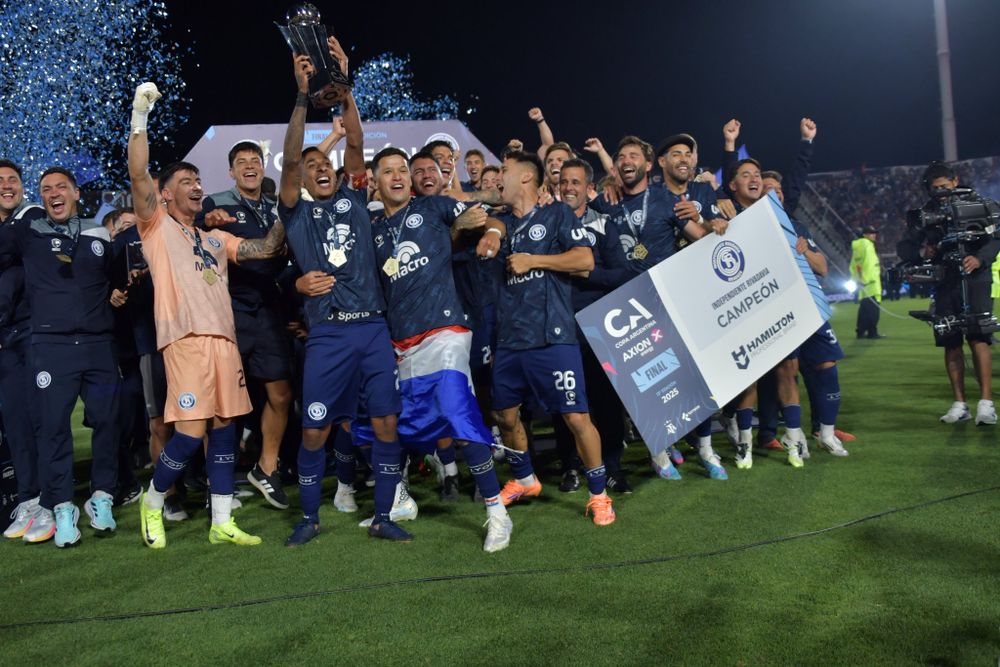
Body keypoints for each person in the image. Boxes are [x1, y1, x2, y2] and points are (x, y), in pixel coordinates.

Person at [129, 81, 287, 549]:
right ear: (165, 195)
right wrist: (140, 118)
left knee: (225, 429)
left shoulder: (214, 240)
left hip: (225, 341)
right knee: (189, 432)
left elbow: (265, 248)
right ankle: (153, 502)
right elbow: (139, 176)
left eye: (198, 180)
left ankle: (221, 520)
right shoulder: (156, 227)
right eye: (186, 181)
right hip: (185, 340)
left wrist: (292, 210)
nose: (197, 186)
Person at [275, 42, 406, 546]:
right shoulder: (296, 212)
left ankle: (383, 515)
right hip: (327, 335)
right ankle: (310, 517)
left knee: (386, 424)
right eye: (311, 167)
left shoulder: (354, 195)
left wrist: (345, 86)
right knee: (314, 432)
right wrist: (303, 95)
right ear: (302, 179)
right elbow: (288, 160)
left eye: (322, 164)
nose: (319, 168)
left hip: (372, 328)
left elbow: (353, 143)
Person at [352, 147, 514, 551]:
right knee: (393, 425)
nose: (398, 176)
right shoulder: (373, 229)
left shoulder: (436, 206)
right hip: (399, 340)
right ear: (375, 180)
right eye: (388, 171)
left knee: (457, 412)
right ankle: (398, 501)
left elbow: (488, 214)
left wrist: (491, 230)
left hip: (445, 331)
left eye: (402, 170)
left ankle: (497, 512)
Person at [483, 150, 615, 526]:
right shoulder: (503, 221)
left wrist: (533, 260)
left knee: (576, 417)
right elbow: (479, 206)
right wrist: (493, 226)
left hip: (553, 337)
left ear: (526, 178)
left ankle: (599, 495)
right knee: (505, 416)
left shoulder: (556, 214)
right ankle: (525, 480)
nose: (497, 179)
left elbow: (585, 260)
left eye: (503, 172)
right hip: (510, 339)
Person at [0, 166, 120, 547]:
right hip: (52, 347)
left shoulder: (98, 233)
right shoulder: (27, 231)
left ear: (76, 193)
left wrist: (119, 294)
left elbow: (117, 277)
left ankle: (102, 496)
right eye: (46, 189)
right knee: (53, 428)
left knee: (106, 421)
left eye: (61, 187)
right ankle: (63, 507)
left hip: (100, 344)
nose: (54, 193)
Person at [199, 141, 293, 510]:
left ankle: (266, 468)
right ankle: (216, 483)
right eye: (242, 162)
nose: (250, 167)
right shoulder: (216, 203)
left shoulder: (275, 206)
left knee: (281, 393)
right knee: (223, 402)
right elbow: (200, 237)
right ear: (231, 172)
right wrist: (207, 221)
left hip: (270, 308)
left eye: (255, 161)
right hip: (229, 308)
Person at [908, 162, 999, 425]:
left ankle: (986, 404)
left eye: (944, 187)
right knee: (950, 341)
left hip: (976, 278)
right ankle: (960, 404)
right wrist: (924, 252)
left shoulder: (979, 203)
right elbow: (908, 245)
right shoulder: (926, 213)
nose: (940, 193)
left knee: (979, 337)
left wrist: (979, 259)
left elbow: (996, 237)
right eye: (935, 189)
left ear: (955, 180)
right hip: (944, 281)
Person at [0, 160, 47, 541]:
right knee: (16, 425)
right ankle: (29, 499)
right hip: (6, 340)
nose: (6, 185)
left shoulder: (30, 216)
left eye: (12, 179)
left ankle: (48, 500)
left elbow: (11, 246)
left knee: (39, 421)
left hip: (30, 335)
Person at [851, 227, 883, 339]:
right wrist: (866, 280)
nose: (874, 235)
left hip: (863, 285)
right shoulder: (868, 245)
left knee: (864, 311)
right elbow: (869, 265)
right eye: (871, 233)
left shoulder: (857, 247)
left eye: (874, 233)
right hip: (871, 284)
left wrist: (858, 280)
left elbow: (854, 266)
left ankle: (860, 331)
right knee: (873, 312)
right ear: (865, 235)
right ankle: (872, 332)